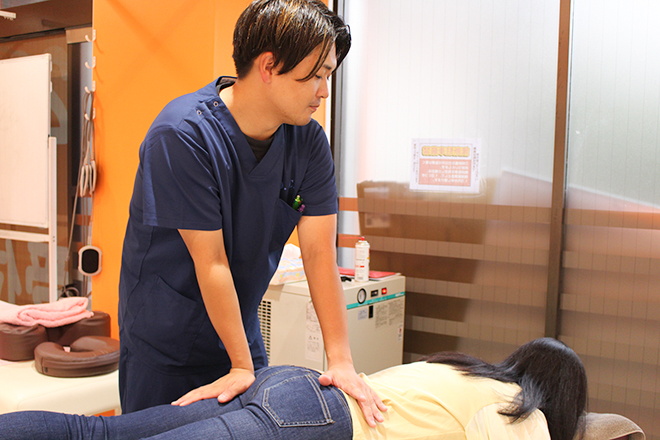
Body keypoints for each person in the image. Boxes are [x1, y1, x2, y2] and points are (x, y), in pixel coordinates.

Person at [116, 0, 385, 426]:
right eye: (314, 75)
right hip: (166, 342)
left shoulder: (308, 142)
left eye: (328, 75)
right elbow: (212, 262)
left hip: (240, 332)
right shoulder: (182, 135)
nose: (324, 91)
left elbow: (318, 255)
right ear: (269, 66)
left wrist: (341, 361)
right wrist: (240, 366)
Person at [0, 338, 588, 440]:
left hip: (293, 384)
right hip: (312, 423)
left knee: (95, 433)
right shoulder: (519, 414)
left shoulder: (465, 371)